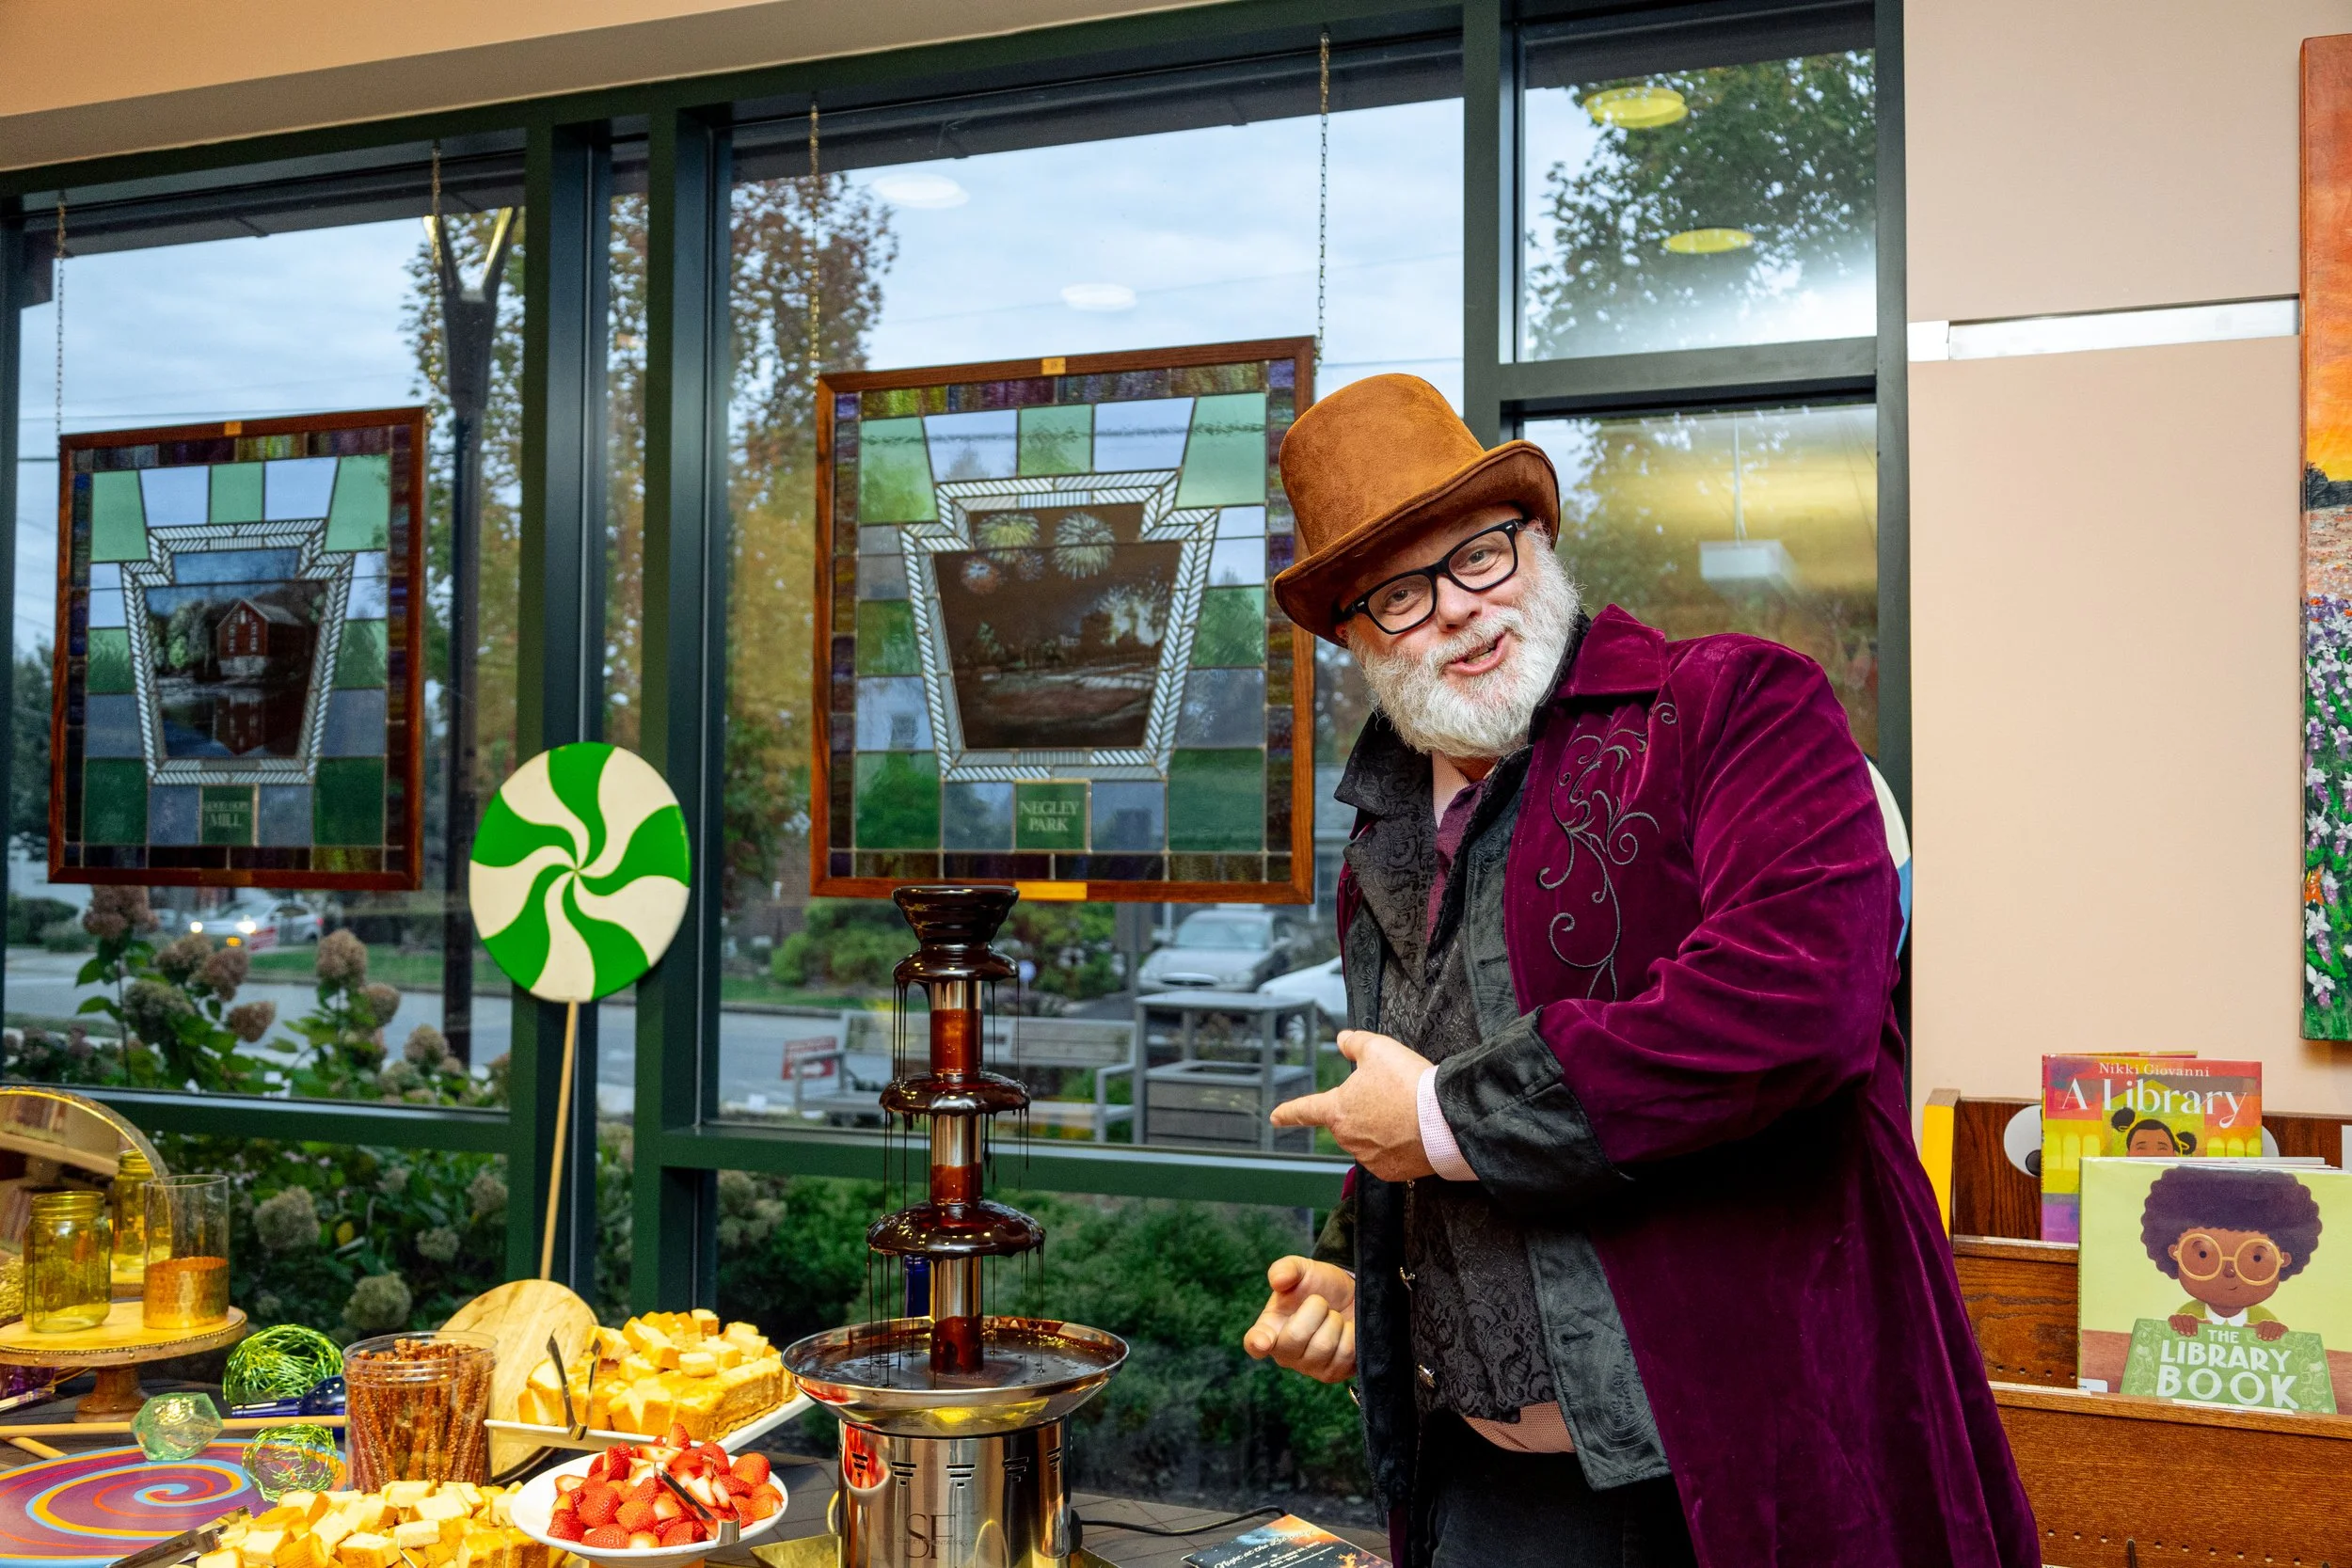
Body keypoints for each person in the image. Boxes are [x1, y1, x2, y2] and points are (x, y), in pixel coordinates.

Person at [1237, 374, 2037, 1568]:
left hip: (1736, 1485)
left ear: (1538, 540)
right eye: (1401, 593)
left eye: (1480, 555)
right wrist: (1367, 1275)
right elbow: (1430, 1090)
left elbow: (1794, 1003)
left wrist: (1442, 1114)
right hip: (1478, 1491)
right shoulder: (1379, 844)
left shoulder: (1737, 706)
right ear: (1355, 636)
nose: (1456, 609)